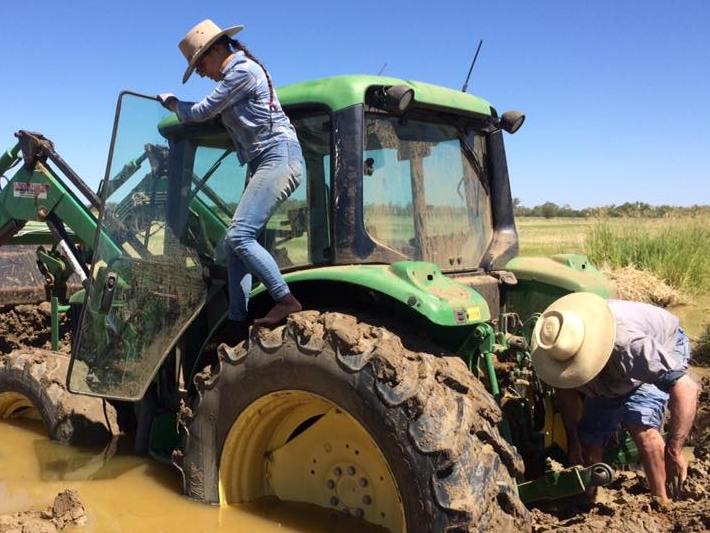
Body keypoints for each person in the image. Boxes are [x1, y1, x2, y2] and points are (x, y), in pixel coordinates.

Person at [158, 19, 303, 332]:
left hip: (277, 156)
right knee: (233, 243)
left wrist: (173, 104)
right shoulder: (239, 77)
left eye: (202, 64)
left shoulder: (242, 72)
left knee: (239, 235)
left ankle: (285, 298)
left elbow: (201, 112)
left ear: (219, 48)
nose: (202, 72)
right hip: (262, 160)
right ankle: (238, 320)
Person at [530, 292, 699, 505]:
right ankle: (589, 498)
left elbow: (686, 387)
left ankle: (662, 502)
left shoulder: (632, 347)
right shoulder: (556, 349)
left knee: (641, 427)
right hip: (613, 372)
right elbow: (567, 393)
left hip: (661, 346)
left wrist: (674, 450)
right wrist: (573, 441)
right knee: (588, 440)